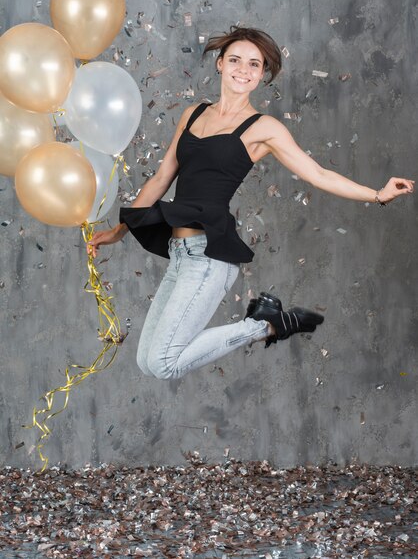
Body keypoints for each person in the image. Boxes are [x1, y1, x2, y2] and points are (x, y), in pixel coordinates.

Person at [88, 26, 414, 380]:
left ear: (262, 74)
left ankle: (264, 324)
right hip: (181, 252)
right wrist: (120, 230)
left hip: (210, 256)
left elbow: (318, 174)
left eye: (254, 65)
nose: (243, 70)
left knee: (165, 363)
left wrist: (378, 195)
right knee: (147, 363)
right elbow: (161, 178)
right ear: (220, 64)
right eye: (236, 60)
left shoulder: (264, 128)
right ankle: (264, 322)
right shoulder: (194, 113)